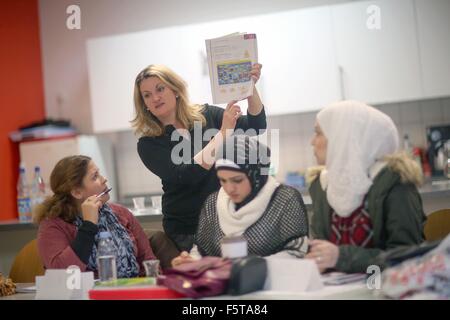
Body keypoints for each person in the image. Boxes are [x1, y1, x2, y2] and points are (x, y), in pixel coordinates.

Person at [132, 64, 267, 252]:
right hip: (186, 232)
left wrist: (249, 88)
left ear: (175, 90)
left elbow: (256, 126)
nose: (155, 98)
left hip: (224, 221)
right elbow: (185, 174)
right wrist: (222, 134)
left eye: (160, 89)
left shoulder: (207, 115)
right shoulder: (149, 143)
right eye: (146, 95)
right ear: (144, 103)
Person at [306, 100, 426, 273]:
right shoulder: (323, 185)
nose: (312, 141)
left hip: (381, 288)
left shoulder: (396, 183)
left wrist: (340, 257)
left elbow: (406, 258)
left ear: (344, 137)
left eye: (318, 133)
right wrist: (317, 260)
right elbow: (323, 251)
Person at [171, 135, 309, 266]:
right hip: (224, 287)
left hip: (275, 286)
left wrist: (246, 268)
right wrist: (191, 261)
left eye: (237, 180)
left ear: (255, 175)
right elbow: (201, 251)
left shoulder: (284, 199)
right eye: (223, 180)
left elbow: (297, 252)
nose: (229, 188)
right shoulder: (213, 203)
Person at [35, 155, 156, 277]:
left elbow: (149, 263)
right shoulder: (53, 225)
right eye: (95, 176)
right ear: (77, 192)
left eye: (99, 173)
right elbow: (62, 273)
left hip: (132, 291)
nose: (104, 179)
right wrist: (88, 226)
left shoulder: (121, 213)